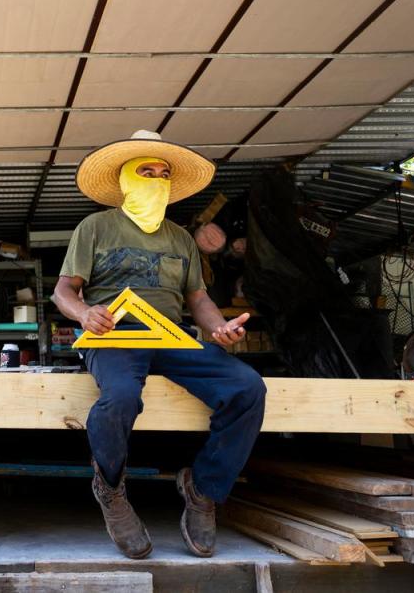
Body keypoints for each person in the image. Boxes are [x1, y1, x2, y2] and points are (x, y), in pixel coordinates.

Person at [54, 130, 266, 559]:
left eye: (163, 173)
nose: (156, 178)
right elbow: (62, 291)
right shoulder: (94, 227)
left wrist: (219, 329)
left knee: (248, 388)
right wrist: (84, 314)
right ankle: (110, 488)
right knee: (121, 397)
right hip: (113, 337)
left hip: (170, 337)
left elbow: (198, 299)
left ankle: (203, 489)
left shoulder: (181, 238)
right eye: (145, 171)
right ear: (126, 179)